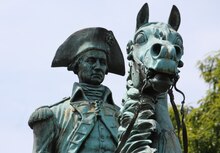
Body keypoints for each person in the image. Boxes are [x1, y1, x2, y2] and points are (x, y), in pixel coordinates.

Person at [28, 27, 125, 153]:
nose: (98, 67)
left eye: (102, 62)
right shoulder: (54, 114)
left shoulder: (122, 117)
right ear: (76, 65)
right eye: (91, 61)